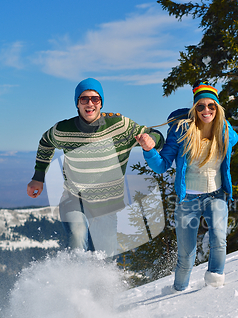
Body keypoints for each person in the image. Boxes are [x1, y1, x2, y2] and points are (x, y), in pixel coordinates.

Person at [27, 78, 163, 256]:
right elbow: (46, 142)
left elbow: (157, 136)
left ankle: (96, 283)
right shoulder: (64, 130)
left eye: (95, 99)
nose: (90, 103)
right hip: (74, 198)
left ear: (101, 103)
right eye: (84, 99)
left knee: (103, 257)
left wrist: (151, 141)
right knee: (78, 237)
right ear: (77, 103)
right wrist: (38, 178)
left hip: (107, 204)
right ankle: (74, 282)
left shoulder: (120, 126)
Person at [136, 82, 238, 291]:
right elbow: (161, 165)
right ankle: (178, 290)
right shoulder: (181, 131)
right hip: (188, 200)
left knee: (219, 239)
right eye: (200, 106)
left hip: (217, 195)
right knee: (187, 256)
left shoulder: (225, 131)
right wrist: (149, 149)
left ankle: (215, 283)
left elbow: (234, 138)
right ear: (194, 109)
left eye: (211, 106)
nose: (206, 110)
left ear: (218, 108)